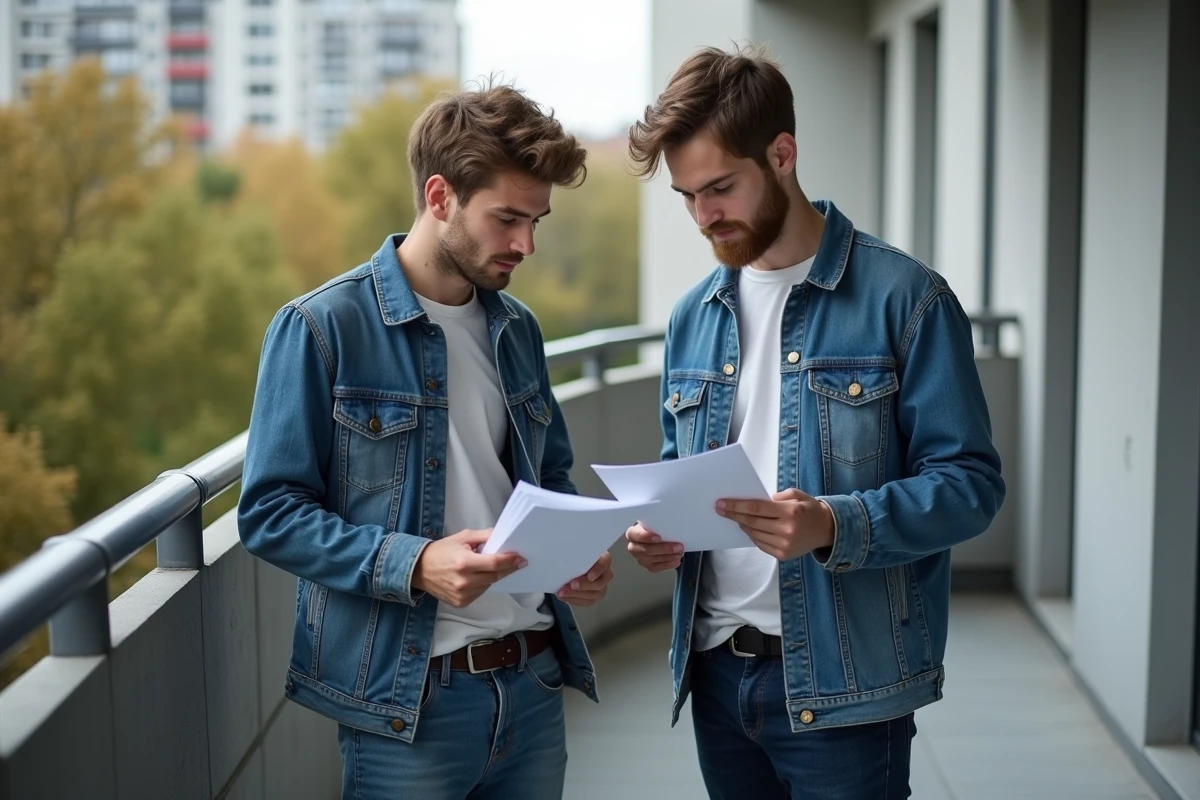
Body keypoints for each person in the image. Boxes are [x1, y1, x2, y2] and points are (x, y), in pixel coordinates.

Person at [624, 45, 1006, 799]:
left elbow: (971, 486)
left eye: (721, 188)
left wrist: (834, 522)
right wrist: (659, 532)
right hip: (715, 676)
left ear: (783, 154)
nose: (705, 216)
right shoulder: (691, 316)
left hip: (847, 689)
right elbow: (681, 471)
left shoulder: (908, 299)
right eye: (688, 196)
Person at [237, 81, 614, 800]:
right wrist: (414, 565)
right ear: (439, 197)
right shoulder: (321, 328)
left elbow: (549, 480)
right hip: (410, 707)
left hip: (534, 684)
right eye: (507, 219)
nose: (526, 244)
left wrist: (574, 558)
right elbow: (270, 512)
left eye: (537, 220)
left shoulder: (518, 330)